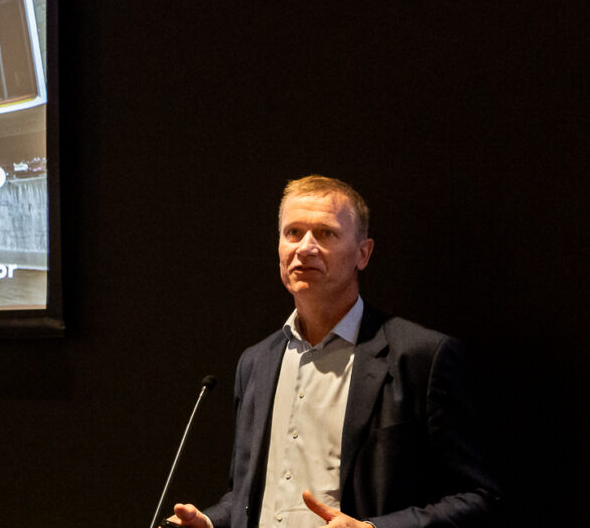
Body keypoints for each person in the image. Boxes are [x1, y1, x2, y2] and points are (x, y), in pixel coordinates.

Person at [168, 175, 499, 528]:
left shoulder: (421, 357)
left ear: (363, 253)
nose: (305, 248)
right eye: (293, 233)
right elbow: (247, 496)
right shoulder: (256, 362)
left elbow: (477, 498)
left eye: (325, 234)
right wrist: (209, 522)